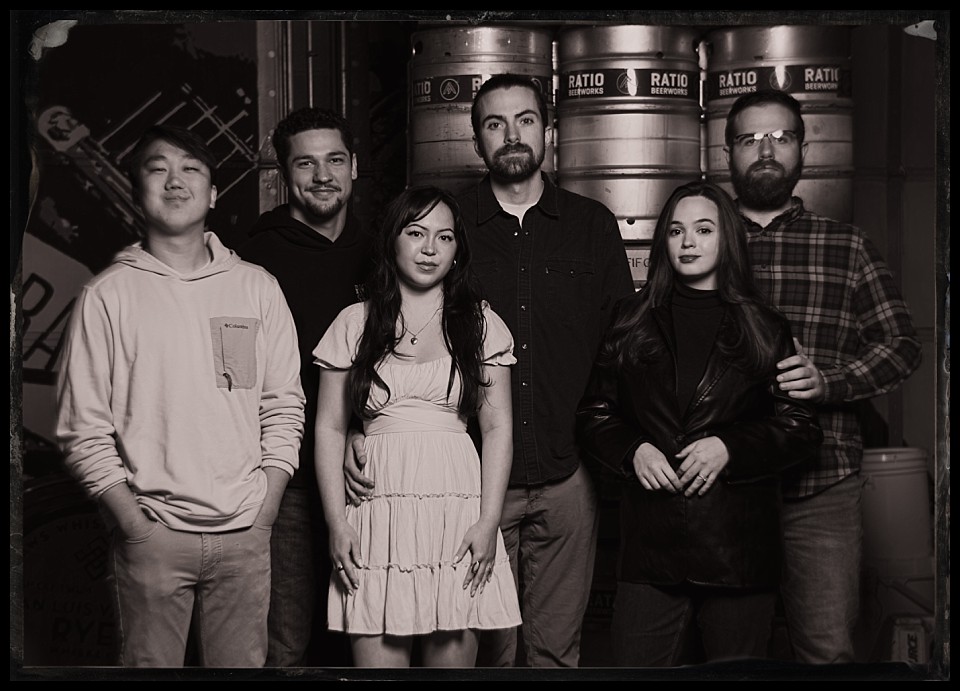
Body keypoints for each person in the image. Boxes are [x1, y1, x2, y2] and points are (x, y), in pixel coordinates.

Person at [353, 72, 636, 667]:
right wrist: (365, 430)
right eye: (494, 123)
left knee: (556, 653)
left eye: (525, 120)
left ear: (549, 131)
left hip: (568, 475)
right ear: (476, 141)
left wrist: (615, 444)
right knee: (485, 654)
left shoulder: (592, 226)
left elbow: (623, 350)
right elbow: (387, 335)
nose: (512, 135)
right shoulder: (449, 231)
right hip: (468, 485)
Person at [55, 125, 305, 667]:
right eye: (157, 168)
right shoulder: (109, 295)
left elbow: (283, 406)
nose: (175, 181)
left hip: (245, 533)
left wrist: (263, 515)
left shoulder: (256, 287)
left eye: (191, 168)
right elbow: (84, 429)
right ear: (135, 191)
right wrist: (135, 528)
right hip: (153, 535)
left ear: (214, 194)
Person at [576, 179, 823, 666]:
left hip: (738, 552)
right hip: (650, 550)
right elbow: (594, 412)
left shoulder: (764, 326)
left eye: (704, 229)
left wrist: (730, 448)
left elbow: (801, 428)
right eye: (676, 230)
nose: (688, 242)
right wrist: (633, 451)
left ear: (725, 238)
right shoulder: (630, 319)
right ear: (663, 242)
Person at [723, 89, 923, 664]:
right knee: (727, 654)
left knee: (827, 650)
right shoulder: (703, 240)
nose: (765, 150)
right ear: (728, 151)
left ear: (804, 150)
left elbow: (903, 345)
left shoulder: (847, 244)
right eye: (750, 139)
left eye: (781, 137)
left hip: (822, 484)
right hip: (725, 486)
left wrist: (830, 382)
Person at [313, 185, 521, 667]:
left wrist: (489, 522)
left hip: (458, 513)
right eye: (416, 232)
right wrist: (336, 521)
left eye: (444, 237)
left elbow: (497, 429)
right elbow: (327, 428)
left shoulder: (481, 324)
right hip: (376, 517)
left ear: (456, 251)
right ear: (392, 241)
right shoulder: (353, 323)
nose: (430, 248)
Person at [239, 106, 374, 667]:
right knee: (287, 640)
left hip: (367, 474)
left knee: (367, 631)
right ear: (283, 174)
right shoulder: (253, 254)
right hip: (287, 477)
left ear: (354, 167)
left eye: (335, 160)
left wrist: (363, 434)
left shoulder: (384, 248)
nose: (323, 175)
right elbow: (235, 374)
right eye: (306, 163)